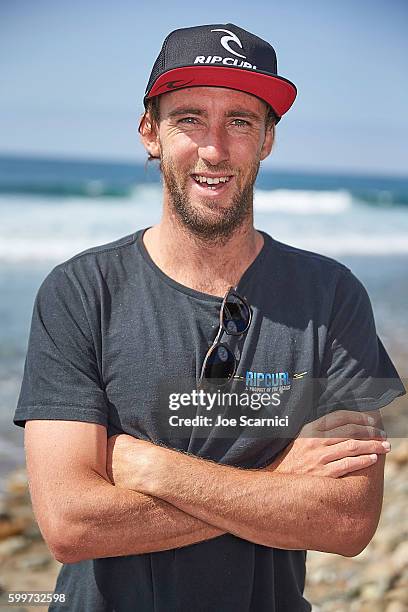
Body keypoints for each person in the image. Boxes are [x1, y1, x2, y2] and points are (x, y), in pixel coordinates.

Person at [14, 23, 405, 612]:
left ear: (269, 139)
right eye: (189, 118)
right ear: (150, 132)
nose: (215, 148)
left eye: (241, 122)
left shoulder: (332, 297)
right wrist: (278, 484)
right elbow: (71, 525)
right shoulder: (80, 292)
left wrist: (149, 467)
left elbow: (347, 522)